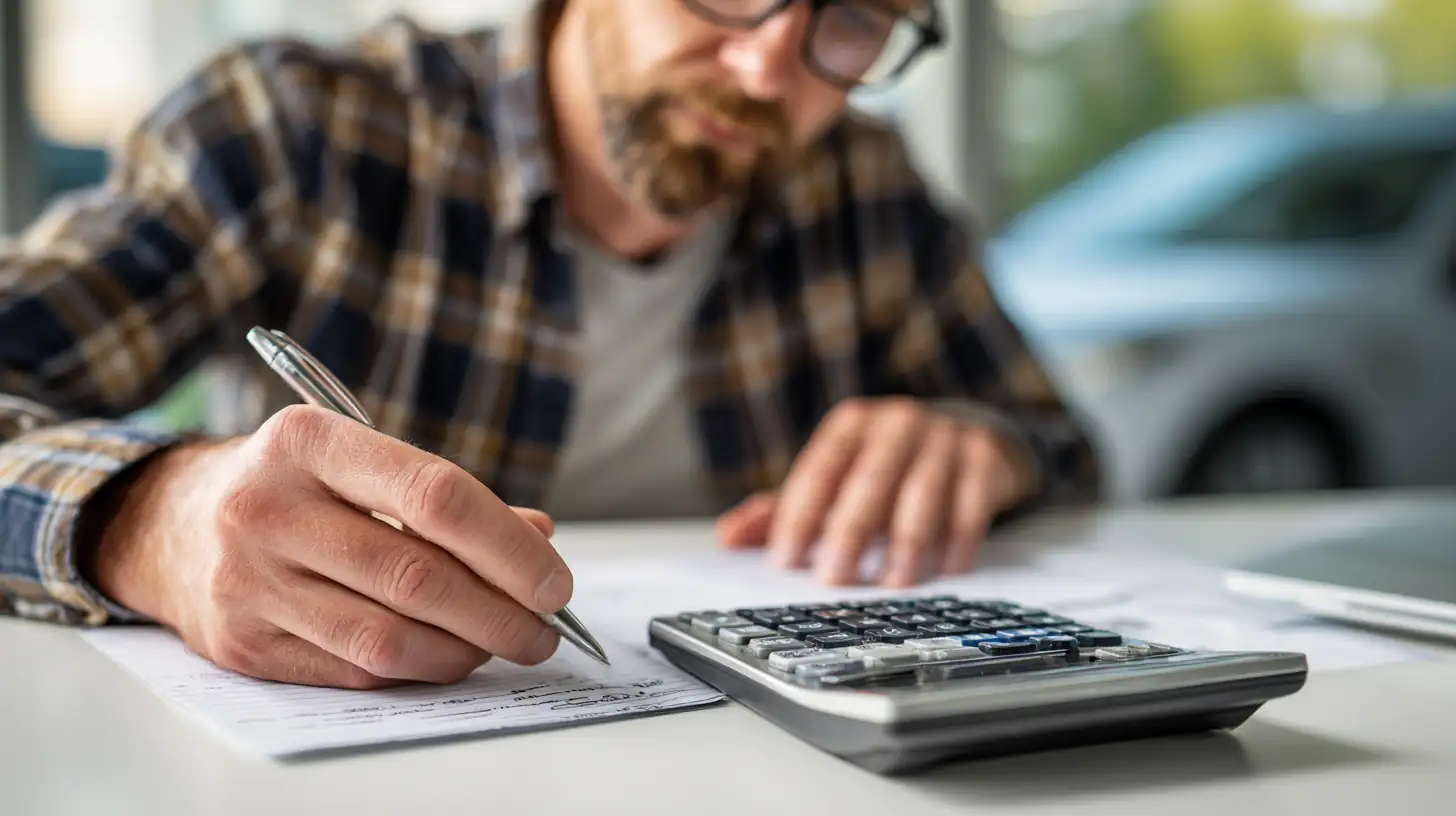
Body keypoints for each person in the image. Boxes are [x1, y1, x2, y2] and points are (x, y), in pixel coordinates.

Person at [0, 0, 1100, 689]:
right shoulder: (297, 132)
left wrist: (981, 446)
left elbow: (1062, 446)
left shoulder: (866, 191)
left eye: (854, 18)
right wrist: (148, 519)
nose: (771, 67)